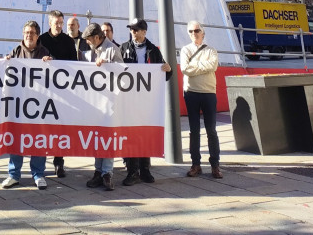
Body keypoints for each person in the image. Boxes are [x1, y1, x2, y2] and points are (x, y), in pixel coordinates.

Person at [120, 18, 172, 185]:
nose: (133, 33)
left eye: (136, 30)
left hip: (147, 101)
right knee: (132, 134)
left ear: (144, 32)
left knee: (145, 133)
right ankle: (132, 170)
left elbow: (163, 74)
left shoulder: (153, 50)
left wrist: (167, 69)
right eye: (132, 30)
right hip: (130, 100)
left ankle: (145, 169)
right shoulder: (124, 48)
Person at [1, 20, 52, 190]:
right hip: (19, 104)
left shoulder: (44, 52)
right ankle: (13, 175)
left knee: (38, 139)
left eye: (32, 33)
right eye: (26, 33)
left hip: (38, 106)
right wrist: (6, 62)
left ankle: (38, 174)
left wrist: (50, 63)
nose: (29, 36)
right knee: (17, 139)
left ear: (38, 36)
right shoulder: (16, 51)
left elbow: (53, 76)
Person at [81, 22, 121, 191]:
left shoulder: (112, 49)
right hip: (96, 100)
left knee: (108, 136)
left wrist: (108, 64)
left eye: (89, 40)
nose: (88, 43)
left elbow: (124, 72)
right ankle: (99, 171)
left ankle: (107, 173)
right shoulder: (90, 51)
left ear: (97, 38)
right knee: (98, 136)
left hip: (110, 101)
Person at [180, 20, 222, 179]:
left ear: (203, 33)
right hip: (191, 93)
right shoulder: (185, 50)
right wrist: (202, 66)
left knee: (211, 130)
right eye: (190, 31)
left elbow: (213, 66)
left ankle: (215, 165)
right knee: (194, 130)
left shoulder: (211, 50)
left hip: (209, 92)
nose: (193, 34)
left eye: (196, 31)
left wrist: (195, 66)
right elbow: (185, 69)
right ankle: (195, 164)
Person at [38, 10, 77, 178]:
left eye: (61, 23)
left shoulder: (68, 41)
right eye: (57, 23)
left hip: (62, 88)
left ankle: (59, 162)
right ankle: (39, 163)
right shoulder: (42, 40)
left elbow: (74, 63)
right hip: (44, 89)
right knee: (42, 125)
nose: (60, 26)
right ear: (50, 24)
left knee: (59, 126)